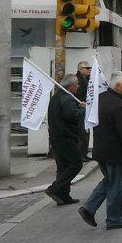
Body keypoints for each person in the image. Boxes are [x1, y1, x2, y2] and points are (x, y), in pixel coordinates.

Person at [78, 71, 122, 230]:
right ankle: (114, 218)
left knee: (109, 180)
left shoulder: (101, 99)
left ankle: (88, 208)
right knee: (116, 185)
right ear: (118, 86)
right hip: (116, 153)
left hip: (102, 151)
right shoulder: (118, 104)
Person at [45, 74, 86, 205]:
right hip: (66, 137)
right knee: (76, 163)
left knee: (63, 166)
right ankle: (55, 188)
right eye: (77, 84)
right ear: (70, 86)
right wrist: (83, 110)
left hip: (56, 136)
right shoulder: (66, 98)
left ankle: (63, 196)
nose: (78, 86)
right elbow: (72, 116)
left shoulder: (56, 97)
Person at [75, 61, 92, 156]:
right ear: (80, 69)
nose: (89, 70)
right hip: (81, 108)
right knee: (82, 133)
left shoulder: (88, 79)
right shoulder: (77, 80)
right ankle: (81, 154)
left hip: (87, 109)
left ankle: (84, 153)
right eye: (87, 68)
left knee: (86, 132)